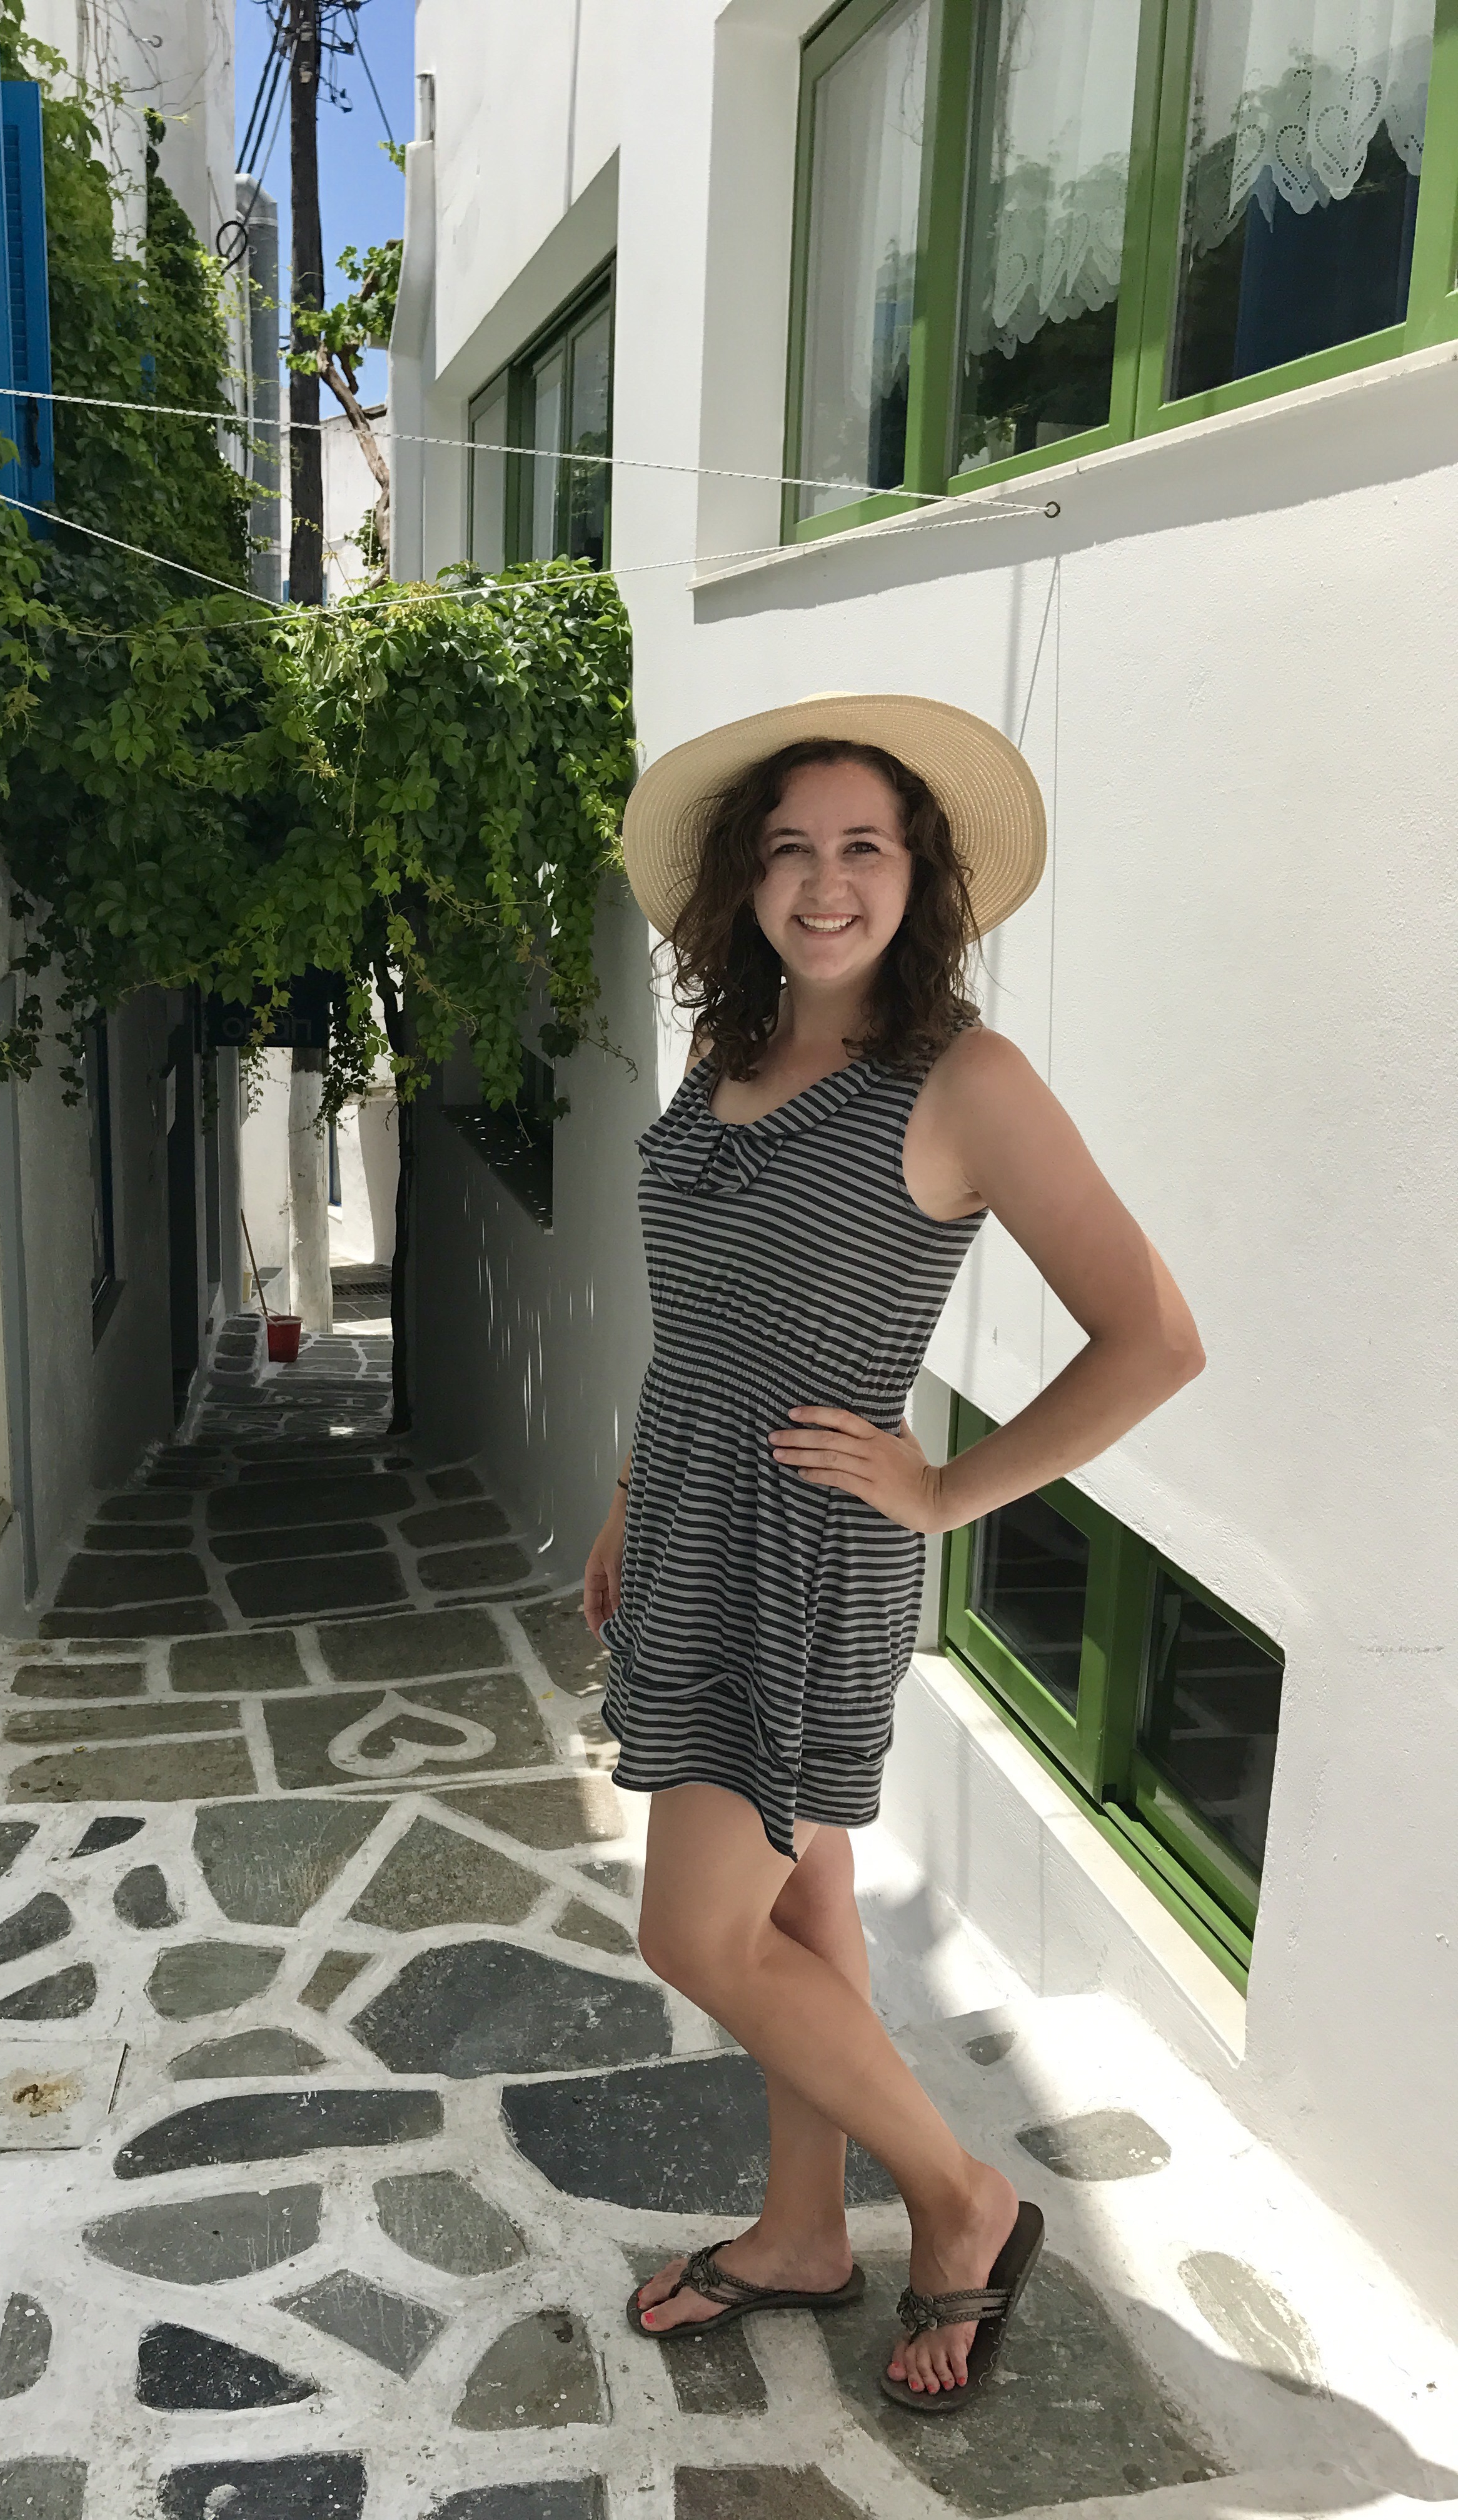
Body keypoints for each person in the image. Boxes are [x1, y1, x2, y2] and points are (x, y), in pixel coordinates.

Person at [582, 692, 1205, 2411]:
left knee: (696, 1934)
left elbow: (1154, 1338)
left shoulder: (963, 1081)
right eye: (790, 848)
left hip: (807, 1557)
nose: (826, 882)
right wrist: (634, 1494)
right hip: (693, 1516)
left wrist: (947, 1493)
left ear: (920, 876)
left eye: (865, 847)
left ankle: (959, 2193)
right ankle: (801, 2231)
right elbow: (702, 1317)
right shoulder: (727, 1056)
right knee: (806, 1899)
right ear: (745, 878)